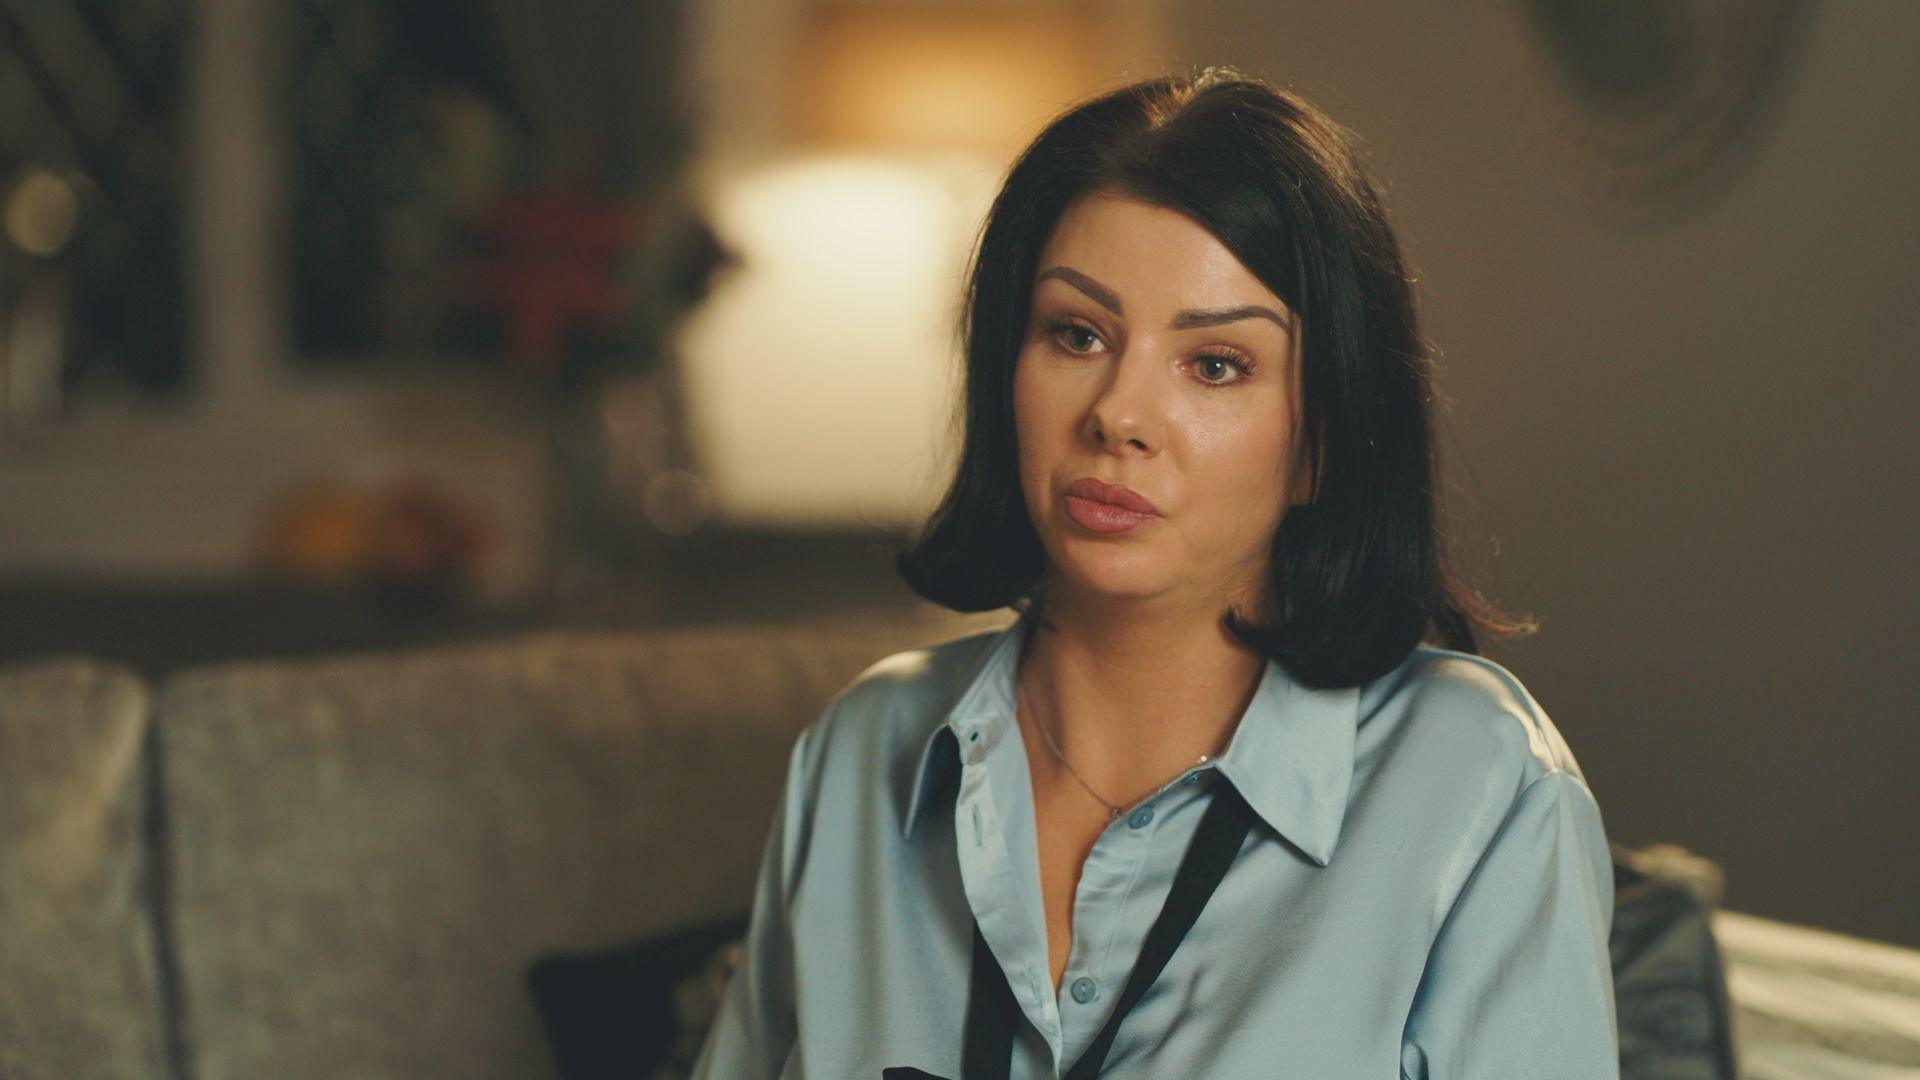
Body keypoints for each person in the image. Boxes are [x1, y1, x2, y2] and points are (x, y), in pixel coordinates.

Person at [691, 66, 1618, 1079]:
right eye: (1077, 334)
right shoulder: (862, 750)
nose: (1118, 414)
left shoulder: (1480, 785)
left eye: (1215, 364)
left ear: (1322, 441)